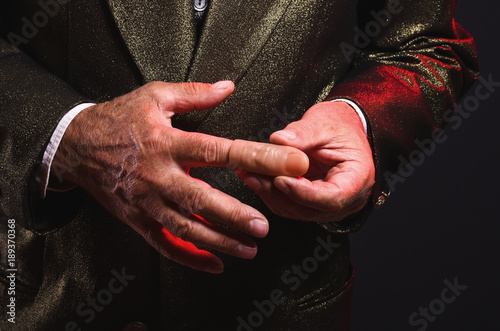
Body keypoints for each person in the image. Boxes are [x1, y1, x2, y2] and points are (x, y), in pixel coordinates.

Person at [0, 0, 478, 330]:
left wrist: (363, 119)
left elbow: (428, 48)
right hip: (47, 298)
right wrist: (69, 135)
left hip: (281, 303)